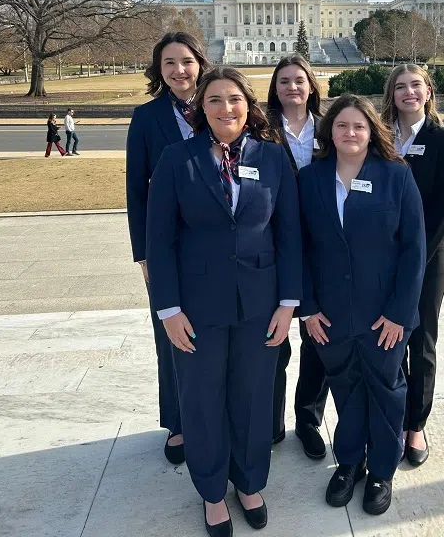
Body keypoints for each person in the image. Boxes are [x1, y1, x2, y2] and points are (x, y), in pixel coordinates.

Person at [146, 66, 302, 536]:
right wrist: (169, 310)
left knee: (253, 397)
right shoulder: (177, 159)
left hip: (261, 304)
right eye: (214, 99)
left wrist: (287, 303)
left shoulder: (272, 158)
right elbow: (160, 241)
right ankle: (213, 492)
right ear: (201, 108)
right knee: (202, 398)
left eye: (234, 98)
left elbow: (289, 234)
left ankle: (249, 482)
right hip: (196, 308)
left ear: (248, 105)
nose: (225, 108)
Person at [298, 94, 426, 516]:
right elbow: (299, 247)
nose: (349, 133)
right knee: (346, 388)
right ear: (328, 132)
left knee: (386, 391)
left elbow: (413, 249)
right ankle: (350, 462)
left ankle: (381, 471)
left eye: (358, 126)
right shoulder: (311, 178)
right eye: (341, 126)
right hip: (330, 314)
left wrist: (400, 313)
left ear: (372, 132)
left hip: (384, 314)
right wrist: (310, 307)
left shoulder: (396, 175)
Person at [126, 31, 211, 465]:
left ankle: (212, 417)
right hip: (166, 243)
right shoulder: (146, 117)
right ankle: (178, 422)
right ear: (159, 71)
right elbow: (136, 188)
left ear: (200, 62)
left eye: (186, 61)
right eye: (169, 63)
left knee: (212, 333)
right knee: (171, 334)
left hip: (215, 242)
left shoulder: (221, 106)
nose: (179, 70)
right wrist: (142, 252)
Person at [382, 64, 444, 467]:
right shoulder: (380, 136)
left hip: (426, 260)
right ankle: (392, 417)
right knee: (389, 343)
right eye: (400, 87)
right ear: (391, 94)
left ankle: (416, 424)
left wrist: (414, 262)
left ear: (428, 92)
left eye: (416, 86)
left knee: (421, 342)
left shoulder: (441, 139)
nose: (408, 93)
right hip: (383, 259)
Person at [265, 54, 329, 460]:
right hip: (272, 244)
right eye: (284, 81)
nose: (292, 87)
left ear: (311, 86)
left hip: (322, 246)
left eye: (299, 80)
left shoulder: (329, 126)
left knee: (318, 338)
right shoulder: (261, 131)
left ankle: (308, 419)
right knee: (272, 340)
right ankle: (270, 423)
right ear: (275, 88)